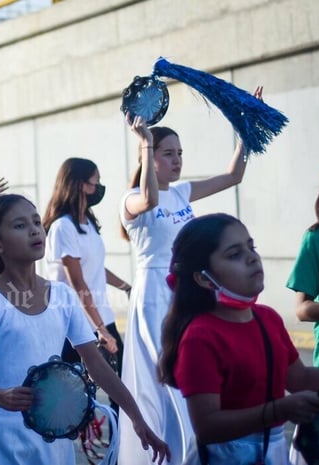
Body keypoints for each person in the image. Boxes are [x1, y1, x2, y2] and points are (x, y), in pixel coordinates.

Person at [0, 194, 169, 465]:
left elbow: (97, 365)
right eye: (19, 225)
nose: (33, 230)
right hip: (5, 437)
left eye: (36, 222)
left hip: (55, 434)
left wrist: (136, 417)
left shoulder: (62, 295)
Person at [158, 213, 319, 464]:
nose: (252, 258)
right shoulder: (199, 337)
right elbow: (207, 426)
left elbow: (300, 378)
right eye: (234, 254)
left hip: (273, 452)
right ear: (204, 277)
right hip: (224, 456)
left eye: (251, 247)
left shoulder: (267, 318)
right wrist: (279, 410)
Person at [118, 102, 259, 464]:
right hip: (154, 296)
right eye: (168, 153)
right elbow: (148, 199)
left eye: (180, 153)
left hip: (187, 291)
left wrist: (245, 131)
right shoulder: (131, 199)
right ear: (149, 155)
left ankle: (195, 452)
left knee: (194, 374)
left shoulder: (180, 192)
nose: (177, 160)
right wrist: (147, 143)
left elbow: (233, 177)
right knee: (164, 381)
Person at [43, 158, 131, 380]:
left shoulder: (88, 223)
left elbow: (95, 268)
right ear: (79, 185)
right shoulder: (63, 227)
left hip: (100, 315)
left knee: (119, 384)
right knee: (77, 391)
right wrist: (100, 328)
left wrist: (126, 286)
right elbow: (78, 282)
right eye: (95, 181)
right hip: (76, 323)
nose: (99, 188)